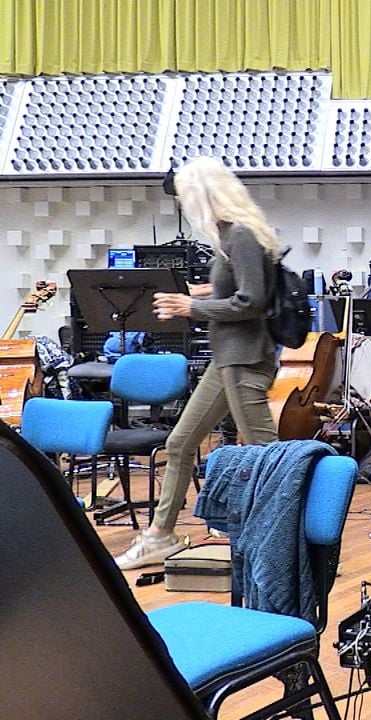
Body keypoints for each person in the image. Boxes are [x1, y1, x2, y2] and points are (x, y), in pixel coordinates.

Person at [115, 156, 281, 570]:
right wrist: (202, 291)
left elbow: (251, 301)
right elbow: (240, 288)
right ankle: (160, 535)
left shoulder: (240, 234)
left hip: (243, 360)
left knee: (270, 455)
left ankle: (291, 540)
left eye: (188, 196)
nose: (186, 207)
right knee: (180, 443)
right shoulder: (231, 235)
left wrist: (193, 305)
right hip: (228, 360)